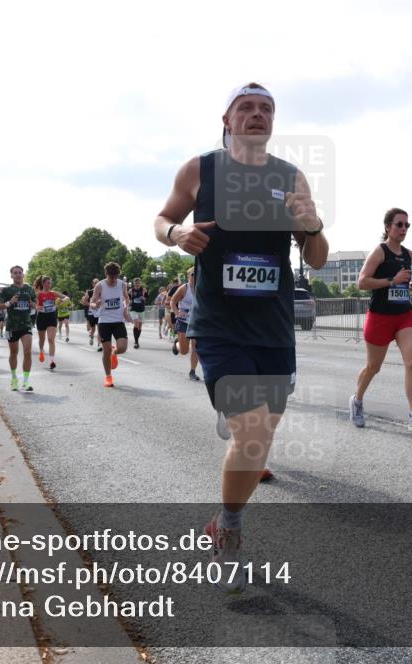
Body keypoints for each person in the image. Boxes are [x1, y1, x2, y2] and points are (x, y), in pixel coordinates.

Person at [154, 83, 329, 593]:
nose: (257, 115)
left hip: (273, 328)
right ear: (227, 120)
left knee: (260, 436)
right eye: (246, 108)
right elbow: (162, 219)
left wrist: (312, 224)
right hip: (220, 325)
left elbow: (316, 257)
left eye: (266, 109)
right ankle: (229, 528)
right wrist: (176, 235)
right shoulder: (200, 170)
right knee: (251, 432)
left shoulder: (289, 176)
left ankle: (226, 496)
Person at [349, 208, 412, 433]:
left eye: (407, 225)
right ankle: (357, 400)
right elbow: (362, 282)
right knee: (373, 367)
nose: (404, 228)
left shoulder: (408, 254)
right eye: (399, 224)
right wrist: (392, 280)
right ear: (387, 227)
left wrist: (408, 286)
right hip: (380, 317)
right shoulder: (379, 252)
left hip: (404, 315)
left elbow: (401, 283)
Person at [90, 262, 130, 387]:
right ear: (106, 274)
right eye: (111, 277)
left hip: (118, 321)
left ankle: (115, 352)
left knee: (123, 348)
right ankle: (108, 377)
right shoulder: (100, 285)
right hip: (104, 322)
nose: (113, 280)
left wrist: (126, 309)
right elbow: (91, 302)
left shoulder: (122, 284)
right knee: (105, 350)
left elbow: (127, 299)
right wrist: (95, 304)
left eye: (115, 277)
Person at [0, 266, 36, 391]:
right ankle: (14, 378)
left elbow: (36, 305)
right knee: (14, 353)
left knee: (27, 351)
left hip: (26, 324)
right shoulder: (7, 290)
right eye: (15, 273)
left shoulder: (29, 289)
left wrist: (33, 304)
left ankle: (26, 381)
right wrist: (10, 302)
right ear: (11, 276)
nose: (18, 275)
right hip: (12, 326)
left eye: (20, 272)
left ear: (23, 274)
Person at [169, 267, 201, 381]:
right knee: (184, 351)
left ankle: (192, 371)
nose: (194, 276)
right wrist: (177, 312)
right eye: (192, 274)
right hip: (183, 321)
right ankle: (177, 344)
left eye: (196, 274)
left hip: (196, 321)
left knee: (196, 347)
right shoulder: (184, 288)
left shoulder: (201, 288)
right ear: (188, 276)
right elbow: (172, 301)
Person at [33, 275, 68, 371]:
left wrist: (61, 301)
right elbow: (30, 300)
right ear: (43, 283)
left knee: (51, 339)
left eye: (50, 283)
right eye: (48, 283)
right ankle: (41, 351)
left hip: (51, 317)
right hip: (41, 317)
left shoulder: (53, 293)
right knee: (42, 339)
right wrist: (36, 306)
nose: (50, 284)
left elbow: (66, 297)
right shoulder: (38, 294)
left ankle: (52, 361)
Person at [128, 277, 148, 349]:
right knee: (136, 322)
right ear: (134, 283)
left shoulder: (143, 290)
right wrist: (129, 301)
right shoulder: (131, 291)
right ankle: (136, 342)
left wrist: (143, 298)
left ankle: (137, 340)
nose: (137, 284)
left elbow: (146, 298)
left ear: (140, 283)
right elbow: (128, 298)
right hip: (134, 309)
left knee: (139, 326)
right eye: (136, 283)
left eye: (138, 283)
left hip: (141, 309)